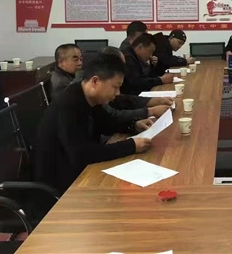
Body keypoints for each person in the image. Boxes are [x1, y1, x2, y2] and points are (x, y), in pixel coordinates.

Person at [34, 53, 154, 194]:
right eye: (115, 87)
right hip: (61, 184)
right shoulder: (70, 105)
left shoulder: (87, 97)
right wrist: (131, 146)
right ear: (95, 81)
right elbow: (83, 154)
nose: (117, 93)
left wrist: (133, 125)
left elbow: (107, 123)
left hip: (78, 170)